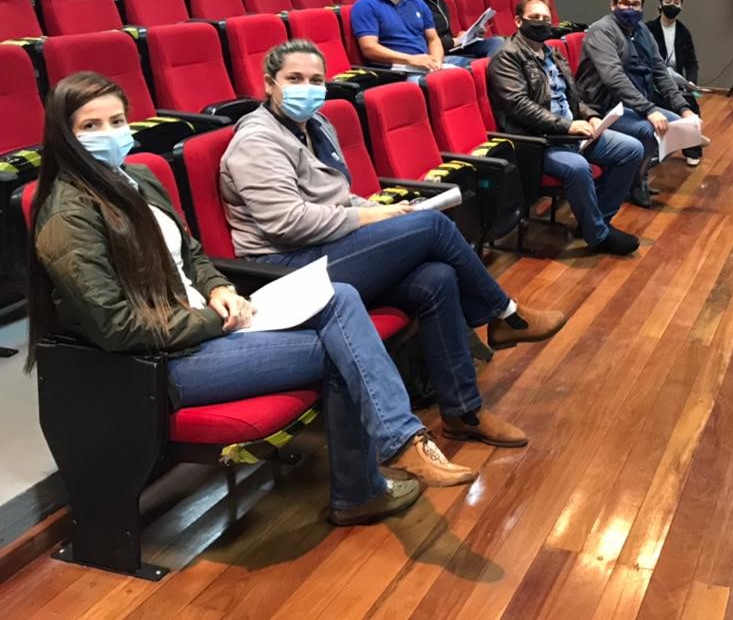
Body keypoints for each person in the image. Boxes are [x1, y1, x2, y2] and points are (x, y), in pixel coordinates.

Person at [25, 72, 475, 526]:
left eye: (117, 121)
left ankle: (397, 446)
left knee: (339, 297)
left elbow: (191, 253)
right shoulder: (68, 213)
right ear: (64, 135)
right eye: (91, 126)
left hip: (205, 328)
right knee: (346, 350)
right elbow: (117, 326)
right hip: (164, 360)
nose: (109, 134)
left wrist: (218, 288)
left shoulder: (136, 177)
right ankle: (367, 483)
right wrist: (213, 319)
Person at [219, 39, 567, 452]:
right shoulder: (257, 140)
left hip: (326, 247)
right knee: (432, 227)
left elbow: (338, 198)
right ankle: (504, 314)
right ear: (269, 84)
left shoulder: (316, 126)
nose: (306, 88)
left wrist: (383, 209)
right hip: (283, 269)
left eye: (315, 80)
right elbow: (288, 223)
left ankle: (463, 412)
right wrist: (372, 219)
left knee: (436, 278)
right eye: (294, 79)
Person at [487, 0, 645, 255]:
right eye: (534, 17)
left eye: (545, 18)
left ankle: (596, 221)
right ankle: (599, 235)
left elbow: (572, 98)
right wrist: (567, 126)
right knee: (578, 167)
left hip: (570, 133)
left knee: (632, 150)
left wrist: (590, 115)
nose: (541, 23)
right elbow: (519, 106)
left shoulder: (553, 54)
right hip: (539, 142)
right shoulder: (506, 57)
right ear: (518, 21)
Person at [575, 0, 698, 207]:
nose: (630, 9)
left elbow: (660, 72)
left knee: (679, 127)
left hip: (634, 104)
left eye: (635, 4)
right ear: (613, 5)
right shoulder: (601, 31)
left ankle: (635, 176)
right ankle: (633, 182)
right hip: (603, 108)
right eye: (624, 4)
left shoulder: (642, 31)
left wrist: (684, 108)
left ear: (642, 8)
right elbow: (614, 78)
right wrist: (649, 110)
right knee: (650, 130)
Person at [645, 0, 703, 166]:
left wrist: (691, 81)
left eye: (676, 2)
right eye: (668, 1)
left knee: (691, 107)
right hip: (654, 82)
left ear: (681, 6)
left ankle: (692, 149)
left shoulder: (684, 32)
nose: (672, 5)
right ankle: (657, 148)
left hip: (678, 83)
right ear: (660, 4)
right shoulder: (648, 29)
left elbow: (692, 62)